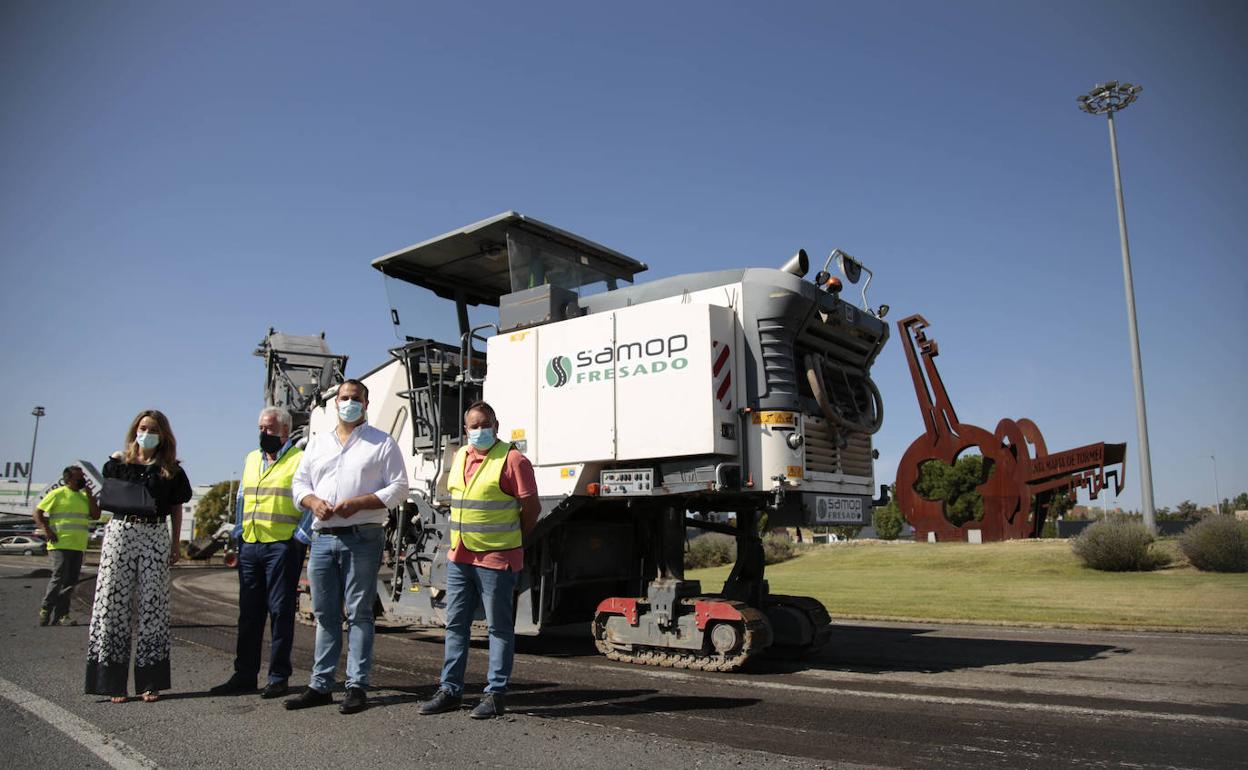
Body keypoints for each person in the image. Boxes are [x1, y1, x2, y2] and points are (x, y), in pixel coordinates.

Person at [285, 379, 408, 715]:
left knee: (359, 613)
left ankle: (356, 685)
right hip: (323, 537)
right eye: (344, 398)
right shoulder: (318, 443)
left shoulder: (381, 443)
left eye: (356, 399)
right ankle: (321, 685)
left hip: (362, 536)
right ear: (335, 403)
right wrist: (311, 502)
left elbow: (399, 488)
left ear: (366, 405)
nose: (349, 403)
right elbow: (300, 483)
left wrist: (360, 503)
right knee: (325, 614)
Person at [418, 401, 540, 719]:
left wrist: (514, 541)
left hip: (497, 558)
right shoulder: (460, 456)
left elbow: (532, 508)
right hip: (461, 556)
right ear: (465, 429)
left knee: (498, 628)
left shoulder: (513, 459)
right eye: (474, 425)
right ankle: (451, 690)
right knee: (456, 625)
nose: (479, 430)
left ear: (496, 426)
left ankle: (495, 694)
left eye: (485, 424)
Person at [86, 409, 192, 704]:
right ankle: (111, 681)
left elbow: (175, 508)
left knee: (153, 605)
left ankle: (150, 681)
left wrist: (175, 543)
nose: (146, 433)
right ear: (135, 431)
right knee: (112, 603)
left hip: (155, 534)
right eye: (143, 428)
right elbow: (104, 497)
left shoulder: (172, 470)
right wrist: (117, 459)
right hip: (120, 532)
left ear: (163, 435)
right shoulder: (118, 464)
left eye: (153, 429)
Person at [210, 406, 312, 699]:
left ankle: (278, 676)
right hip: (251, 547)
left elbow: (311, 500)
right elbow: (243, 497)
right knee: (249, 614)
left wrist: (299, 539)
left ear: (284, 430)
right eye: (260, 428)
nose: (262, 433)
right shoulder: (251, 459)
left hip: (282, 547)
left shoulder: (300, 460)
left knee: (280, 613)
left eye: (267, 428)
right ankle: (244, 675)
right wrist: (240, 532)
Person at [33, 465, 101, 626]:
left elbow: (96, 515)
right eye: (79, 477)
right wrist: (46, 529)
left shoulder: (85, 497)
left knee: (70, 581)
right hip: (59, 543)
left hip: (77, 545)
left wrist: (90, 496)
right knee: (58, 577)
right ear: (69, 479)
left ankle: (62, 615)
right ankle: (46, 609)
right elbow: (37, 512)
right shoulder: (57, 494)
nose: (83, 480)